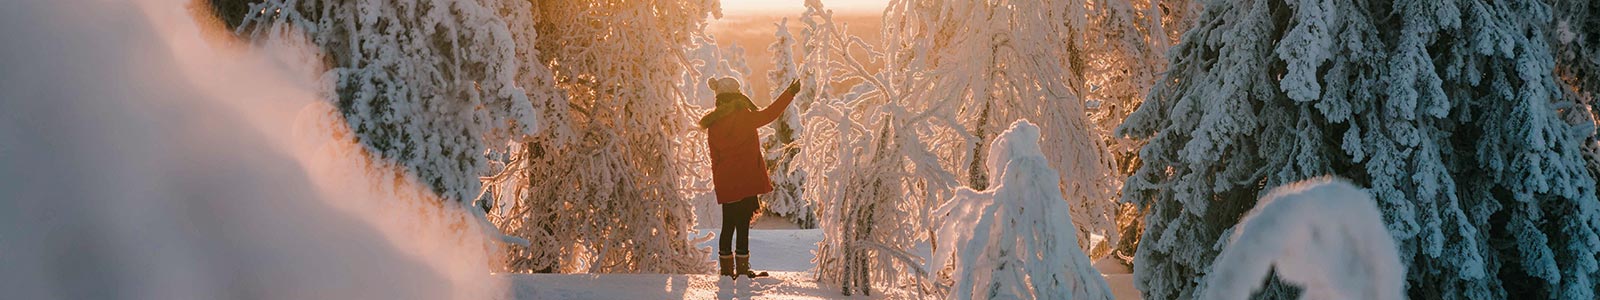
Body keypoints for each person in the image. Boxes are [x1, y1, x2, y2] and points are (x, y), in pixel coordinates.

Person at [700, 77, 801, 279]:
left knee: (728, 225)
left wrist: (719, 182)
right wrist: (790, 93)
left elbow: (714, 158)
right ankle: (743, 270)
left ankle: (727, 272)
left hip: (726, 181)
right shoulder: (745, 117)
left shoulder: (714, 124)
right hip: (745, 180)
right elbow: (771, 113)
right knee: (742, 225)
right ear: (736, 96)